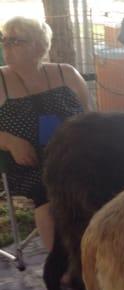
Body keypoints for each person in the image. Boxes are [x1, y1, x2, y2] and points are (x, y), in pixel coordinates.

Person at [0, 16, 91, 251]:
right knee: (48, 191)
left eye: (15, 40)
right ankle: (60, 263)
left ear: (39, 46)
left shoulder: (66, 74)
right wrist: (9, 141)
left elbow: (91, 120)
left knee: (106, 182)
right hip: (29, 162)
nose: (6, 45)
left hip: (74, 155)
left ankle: (103, 253)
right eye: (4, 39)